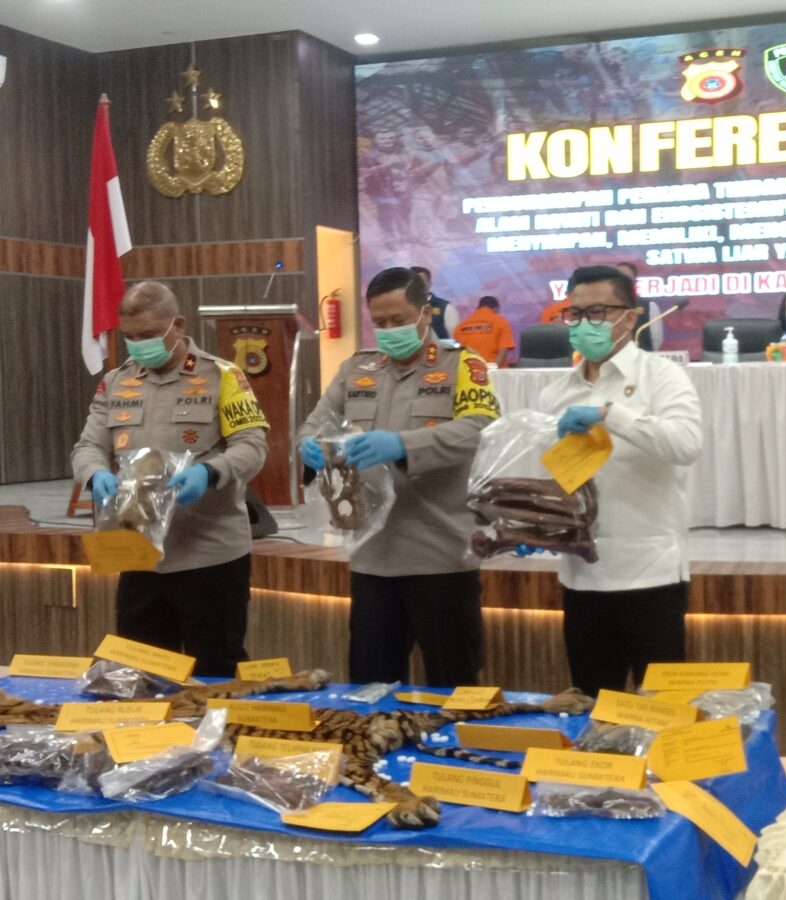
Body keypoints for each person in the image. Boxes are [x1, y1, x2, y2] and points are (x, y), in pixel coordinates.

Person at [297, 266, 500, 687]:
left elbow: (480, 427)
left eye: (399, 320)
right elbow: (316, 422)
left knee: (453, 686)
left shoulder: (462, 365)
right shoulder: (357, 368)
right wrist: (309, 445)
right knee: (371, 687)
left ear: (426, 313)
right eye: (380, 322)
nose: (389, 331)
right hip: (372, 557)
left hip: (440, 555)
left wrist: (404, 445)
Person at [71, 281, 269, 677]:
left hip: (208, 556)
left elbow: (253, 446)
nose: (138, 345)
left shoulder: (223, 376)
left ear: (177, 325)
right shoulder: (116, 382)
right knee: (140, 676)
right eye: (130, 337)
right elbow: (88, 446)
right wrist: (95, 474)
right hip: (138, 554)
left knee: (214, 675)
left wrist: (210, 472)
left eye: (147, 335)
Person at [536, 265, 703, 696]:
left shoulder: (661, 375)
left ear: (629, 316)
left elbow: (685, 444)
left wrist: (612, 415)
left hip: (650, 576)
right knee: (593, 708)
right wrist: (536, 524)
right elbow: (550, 476)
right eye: (575, 314)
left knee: (662, 714)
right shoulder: (556, 393)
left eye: (597, 312)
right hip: (582, 577)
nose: (583, 324)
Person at [453, 296, 516, 367]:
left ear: (478, 307)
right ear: (496, 308)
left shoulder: (461, 325)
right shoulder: (502, 322)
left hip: (468, 370)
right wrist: (494, 369)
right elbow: (504, 348)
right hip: (492, 369)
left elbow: (456, 351)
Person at [615, 261, 662, 351]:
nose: (621, 281)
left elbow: (656, 339)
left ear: (634, 281)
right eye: (617, 277)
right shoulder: (605, 306)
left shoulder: (649, 306)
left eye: (626, 277)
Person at [409, 266, 460, 340]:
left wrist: (438, 344)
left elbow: (454, 341)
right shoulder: (401, 308)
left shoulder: (445, 308)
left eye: (421, 282)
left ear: (430, 284)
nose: (416, 286)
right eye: (412, 283)